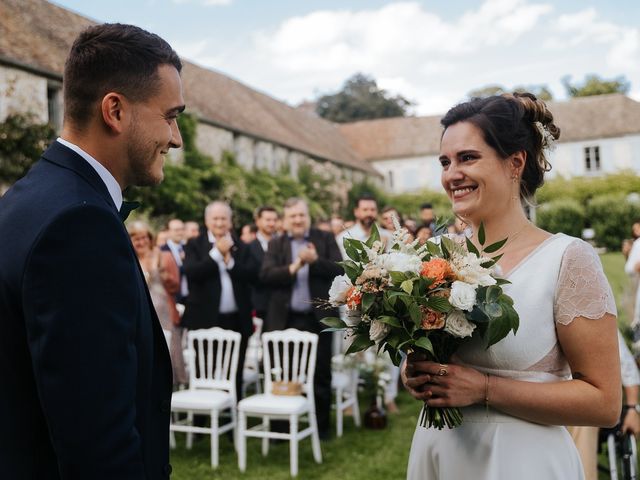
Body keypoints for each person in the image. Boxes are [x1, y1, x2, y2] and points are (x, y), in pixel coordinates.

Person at [402, 92, 620, 479]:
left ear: (515, 163)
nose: (452, 174)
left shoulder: (567, 259)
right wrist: (415, 373)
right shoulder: (432, 257)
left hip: (522, 461)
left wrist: (485, 390)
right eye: (445, 162)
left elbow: (603, 402)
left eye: (468, 158)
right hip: (439, 453)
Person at [0, 23, 184, 478]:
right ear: (116, 110)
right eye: (170, 115)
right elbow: (97, 440)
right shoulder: (77, 225)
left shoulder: (28, 197)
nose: (176, 139)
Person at [260, 197, 343, 439]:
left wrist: (316, 262)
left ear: (308, 217)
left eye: (301, 215)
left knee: (320, 373)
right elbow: (265, 275)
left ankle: (321, 429)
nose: (297, 220)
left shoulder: (324, 238)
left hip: (318, 319)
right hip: (285, 319)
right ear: (286, 220)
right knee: (282, 373)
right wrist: (293, 268)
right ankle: (281, 428)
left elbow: (340, 269)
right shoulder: (276, 244)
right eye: (292, 216)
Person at [181, 201, 255, 399]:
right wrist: (216, 254)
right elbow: (192, 273)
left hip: (237, 319)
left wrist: (229, 261)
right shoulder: (194, 245)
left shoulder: (242, 246)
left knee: (235, 370)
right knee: (204, 369)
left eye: (223, 218)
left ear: (230, 222)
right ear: (207, 221)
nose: (220, 223)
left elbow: (252, 275)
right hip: (204, 319)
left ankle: (233, 419)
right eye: (215, 218)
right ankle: (201, 423)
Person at [568, 330, 640, 480]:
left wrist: (632, 409)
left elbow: (628, 370)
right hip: (541, 397)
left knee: (583, 417)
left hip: (582, 404)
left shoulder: (595, 315)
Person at [129, 221, 187, 387]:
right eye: (136, 239)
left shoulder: (162, 255)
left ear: (150, 238)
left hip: (164, 309)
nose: (141, 242)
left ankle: (173, 383)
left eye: (143, 238)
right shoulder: (130, 258)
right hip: (141, 310)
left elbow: (176, 285)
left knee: (170, 349)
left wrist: (161, 272)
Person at [247, 206, 279, 320]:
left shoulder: (284, 244)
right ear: (258, 221)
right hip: (258, 305)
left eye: (275, 220)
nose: (272, 223)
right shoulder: (248, 248)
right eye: (268, 220)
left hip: (281, 305)